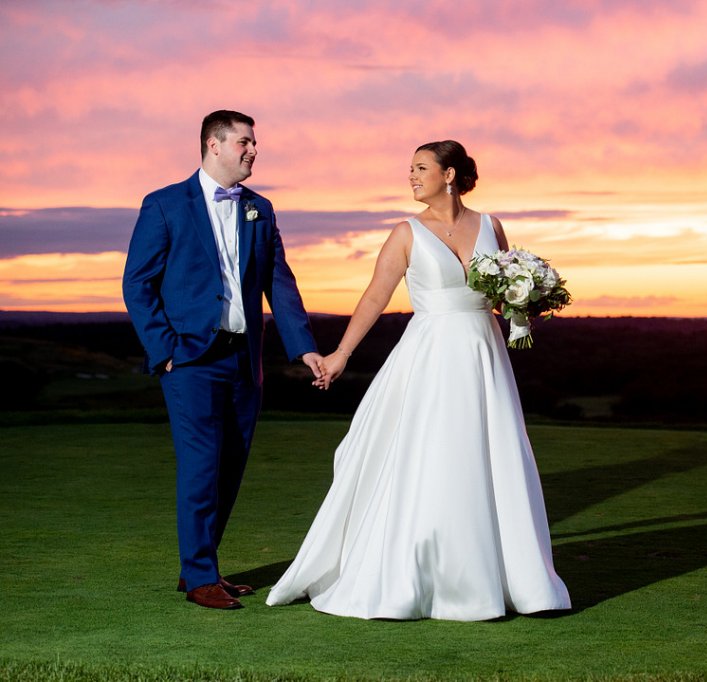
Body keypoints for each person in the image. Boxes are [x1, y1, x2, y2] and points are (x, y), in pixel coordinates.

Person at [266, 140, 571, 620]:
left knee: (488, 453)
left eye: (420, 168)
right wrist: (342, 354)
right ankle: (423, 573)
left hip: (483, 353)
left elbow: (504, 296)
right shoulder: (406, 232)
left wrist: (526, 303)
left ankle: (508, 578)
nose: (410, 176)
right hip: (430, 355)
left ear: (449, 175)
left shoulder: (491, 225)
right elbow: (374, 297)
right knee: (433, 452)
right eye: (410, 169)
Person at [122, 110, 323, 610]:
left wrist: (304, 347)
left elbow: (279, 282)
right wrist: (164, 351)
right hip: (188, 361)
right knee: (200, 466)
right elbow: (137, 284)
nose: (254, 150)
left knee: (231, 465)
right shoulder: (165, 204)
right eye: (245, 142)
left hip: (243, 361)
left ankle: (202, 565)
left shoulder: (261, 208)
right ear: (214, 144)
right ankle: (198, 578)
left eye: (255, 143)